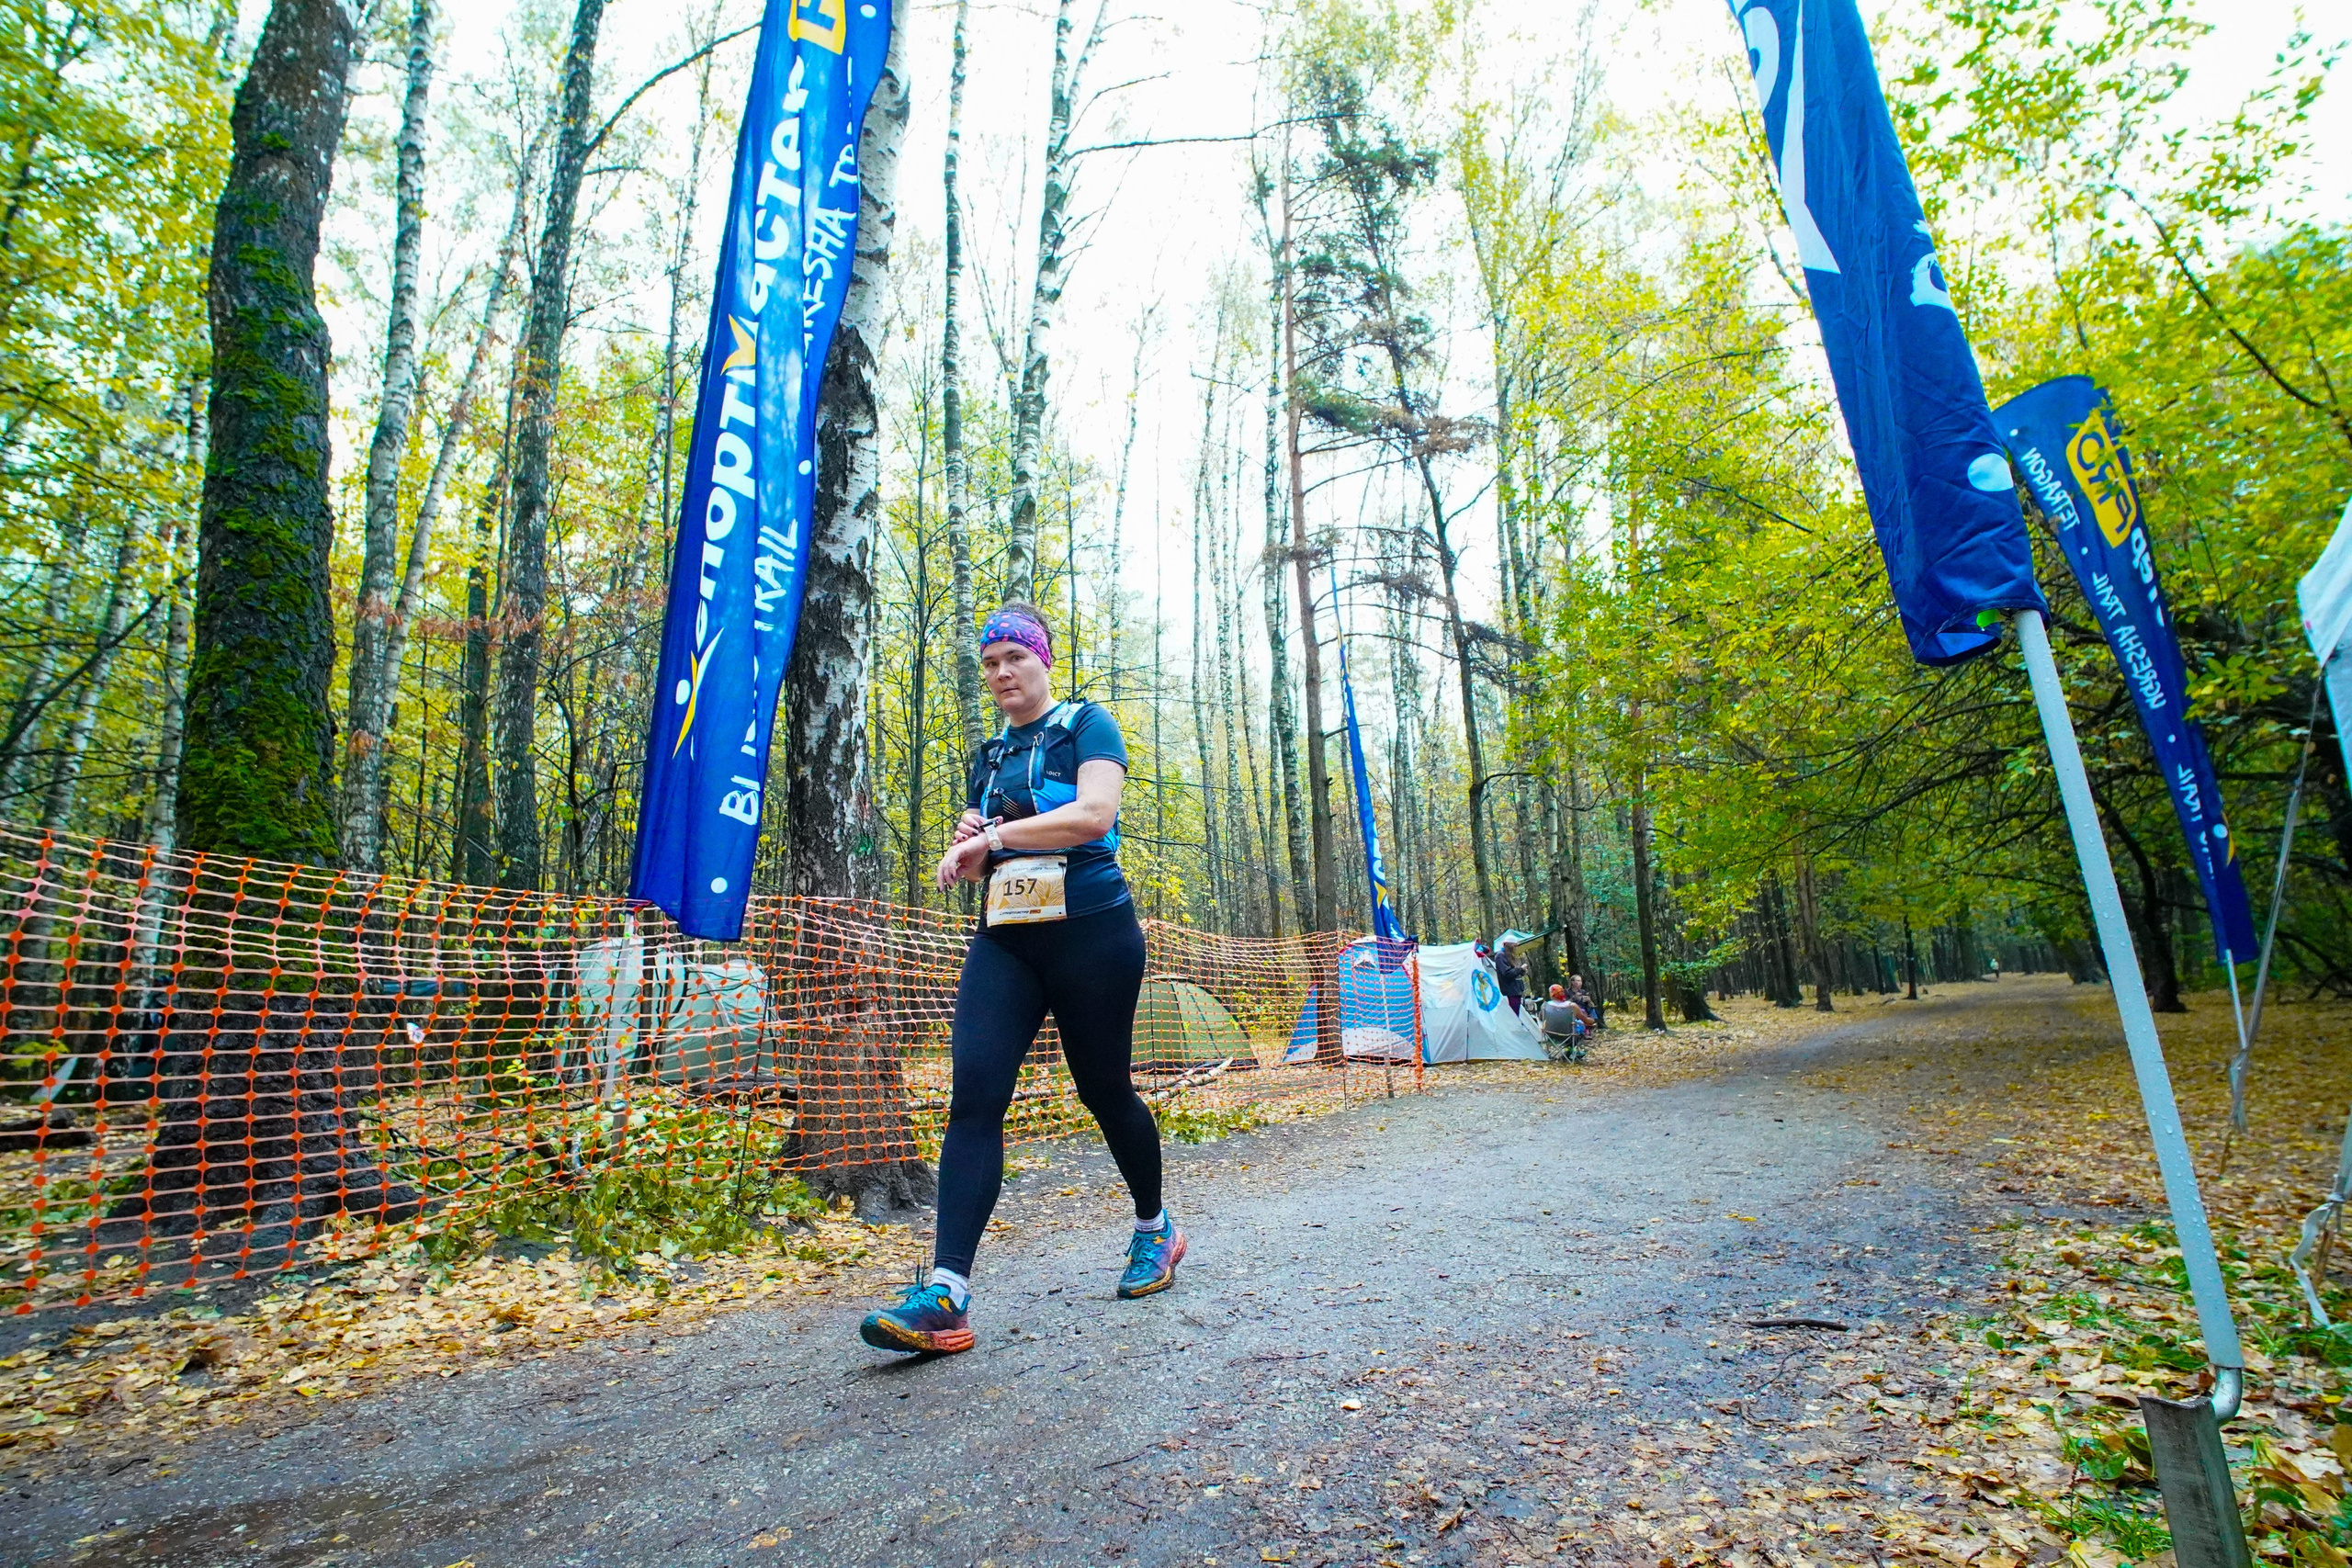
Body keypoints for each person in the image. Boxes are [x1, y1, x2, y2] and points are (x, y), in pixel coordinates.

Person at [859, 602, 1182, 1356]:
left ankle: (1155, 1228)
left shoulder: (1086, 726)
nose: (1003, 673)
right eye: (991, 663)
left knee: (1105, 1091)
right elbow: (986, 854)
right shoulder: (990, 754)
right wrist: (968, 844)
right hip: (1006, 941)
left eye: (1016, 658)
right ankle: (947, 1293)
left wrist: (997, 832)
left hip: (1094, 934)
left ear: (1044, 660)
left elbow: (1093, 815)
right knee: (974, 1097)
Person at [1539, 983, 1590, 1062]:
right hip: (1569, 1035)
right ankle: (1572, 1050)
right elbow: (1585, 1020)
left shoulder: (1545, 1005)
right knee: (1580, 1025)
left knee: (1575, 1026)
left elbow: (1541, 1018)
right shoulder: (1572, 1006)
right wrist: (1592, 1021)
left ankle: (1569, 1050)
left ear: (1551, 994)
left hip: (1550, 1035)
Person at [1495, 940, 1528, 1016]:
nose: (1516, 948)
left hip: (1516, 991)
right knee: (1513, 1015)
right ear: (1509, 945)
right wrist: (1520, 969)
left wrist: (1522, 972)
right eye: (1514, 945)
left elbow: (1514, 972)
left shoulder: (1510, 956)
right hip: (1510, 992)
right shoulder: (1500, 956)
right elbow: (1507, 973)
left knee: (1516, 1014)